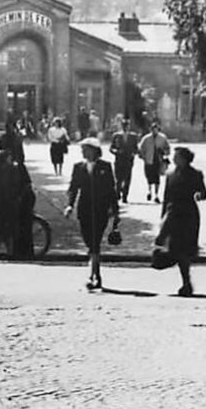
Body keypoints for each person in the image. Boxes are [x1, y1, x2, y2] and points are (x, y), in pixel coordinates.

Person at [66, 138, 119, 291]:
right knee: (89, 242)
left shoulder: (105, 166)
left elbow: (111, 189)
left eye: (85, 149)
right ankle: (94, 271)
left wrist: (115, 211)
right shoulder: (78, 167)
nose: (83, 152)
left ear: (94, 150)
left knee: (95, 242)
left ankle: (95, 275)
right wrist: (70, 205)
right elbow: (73, 188)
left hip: (100, 210)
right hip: (84, 210)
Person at [155, 145, 206, 296]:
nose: (174, 158)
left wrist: (199, 195)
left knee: (184, 249)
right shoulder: (170, 174)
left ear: (185, 159)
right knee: (175, 248)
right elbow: (166, 198)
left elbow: (204, 193)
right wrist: (163, 218)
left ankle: (186, 282)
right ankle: (186, 282)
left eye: (177, 156)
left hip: (188, 215)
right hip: (172, 215)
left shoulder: (196, 174)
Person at [138, 122, 171, 201]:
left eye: (156, 129)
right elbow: (141, 149)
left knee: (157, 178)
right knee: (149, 177)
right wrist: (143, 157)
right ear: (151, 130)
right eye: (153, 129)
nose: (154, 131)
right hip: (148, 161)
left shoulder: (162, 138)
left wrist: (164, 152)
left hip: (158, 161)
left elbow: (167, 148)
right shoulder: (146, 138)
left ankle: (156, 195)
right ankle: (149, 191)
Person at [109, 118, 140, 203]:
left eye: (127, 126)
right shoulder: (116, 135)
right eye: (124, 125)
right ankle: (118, 193)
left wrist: (134, 153)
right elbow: (111, 148)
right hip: (119, 160)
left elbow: (136, 148)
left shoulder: (133, 136)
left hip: (128, 160)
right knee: (118, 178)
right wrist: (116, 151)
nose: (125, 127)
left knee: (127, 178)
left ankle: (125, 196)